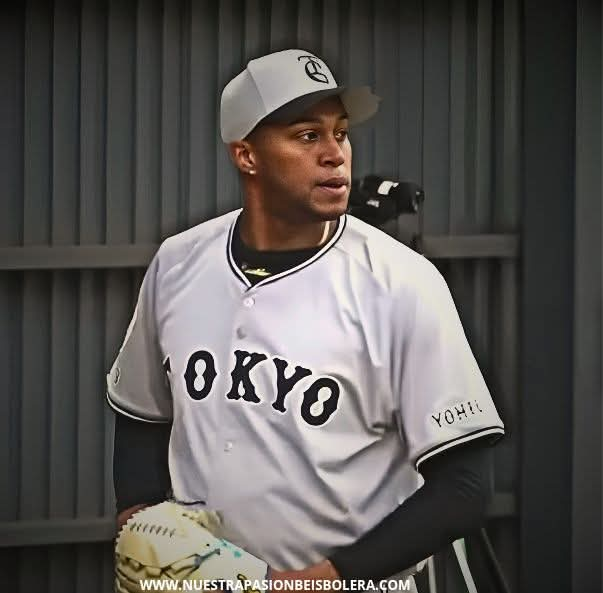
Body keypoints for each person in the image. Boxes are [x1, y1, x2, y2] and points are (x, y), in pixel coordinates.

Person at [107, 49, 505, 590]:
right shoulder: (178, 262)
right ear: (247, 155)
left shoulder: (402, 282)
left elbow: (464, 486)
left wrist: (318, 581)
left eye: (340, 132)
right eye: (306, 135)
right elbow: (141, 413)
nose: (335, 154)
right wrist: (140, 520)